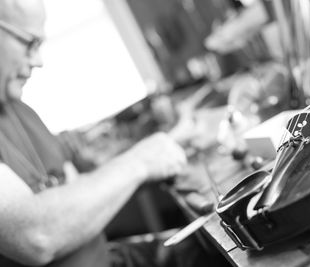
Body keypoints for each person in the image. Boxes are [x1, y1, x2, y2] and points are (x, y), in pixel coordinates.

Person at [0, 0, 190, 266]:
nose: (38, 60)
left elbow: (75, 192)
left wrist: (159, 155)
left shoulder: (20, 110)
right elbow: (36, 236)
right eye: (29, 43)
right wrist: (141, 161)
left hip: (107, 258)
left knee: (212, 243)